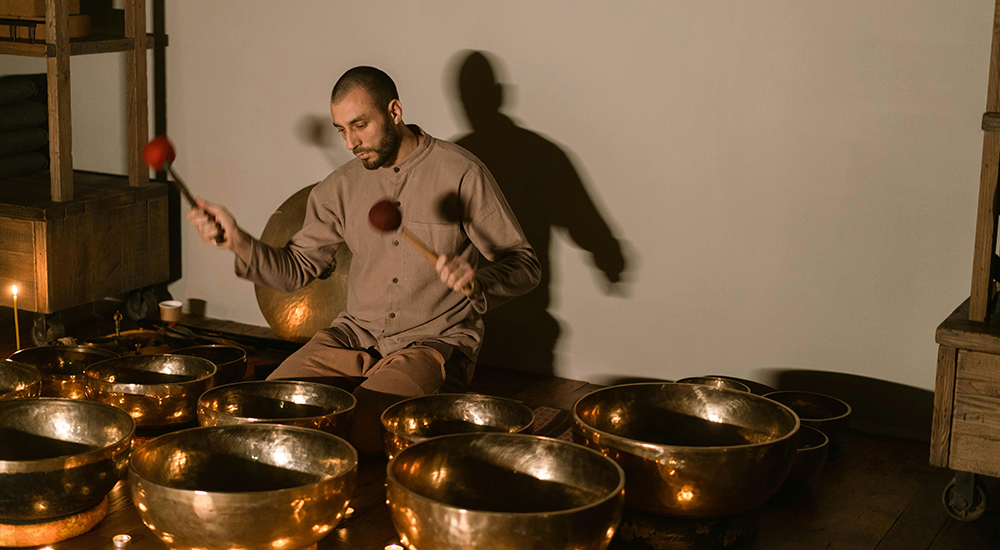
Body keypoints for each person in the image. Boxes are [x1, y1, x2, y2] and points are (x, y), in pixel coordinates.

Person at [188, 66, 540, 452]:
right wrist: (238, 241)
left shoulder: (461, 172)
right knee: (267, 410)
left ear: (394, 111)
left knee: (366, 431)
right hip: (353, 337)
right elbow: (295, 271)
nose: (351, 143)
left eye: (360, 125)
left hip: (432, 344)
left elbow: (525, 265)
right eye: (341, 129)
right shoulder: (338, 188)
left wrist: (478, 279)